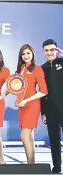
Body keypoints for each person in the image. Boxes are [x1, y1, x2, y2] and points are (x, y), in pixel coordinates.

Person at [15, 44, 47, 164]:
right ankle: (32, 165)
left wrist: (27, 100)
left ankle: (30, 167)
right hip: (21, 106)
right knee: (29, 136)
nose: (26, 56)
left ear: (32, 54)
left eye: (28, 53)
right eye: (23, 54)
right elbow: (17, 86)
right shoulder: (21, 68)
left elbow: (44, 91)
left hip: (32, 105)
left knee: (24, 136)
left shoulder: (37, 69)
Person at [40, 39, 63, 173]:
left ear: (57, 50)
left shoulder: (62, 62)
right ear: (43, 52)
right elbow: (42, 92)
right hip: (50, 110)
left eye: (52, 50)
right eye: (47, 50)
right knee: (54, 140)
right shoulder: (42, 69)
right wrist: (43, 112)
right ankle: (57, 166)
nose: (49, 53)